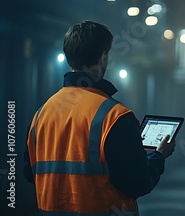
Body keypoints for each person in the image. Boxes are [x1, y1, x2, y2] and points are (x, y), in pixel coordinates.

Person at [23, 20, 175, 215]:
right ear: (104, 57)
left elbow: (30, 173)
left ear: (69, 58)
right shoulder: (115, 116)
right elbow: (138, 183)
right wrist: (159, 155)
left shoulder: (41, 114)